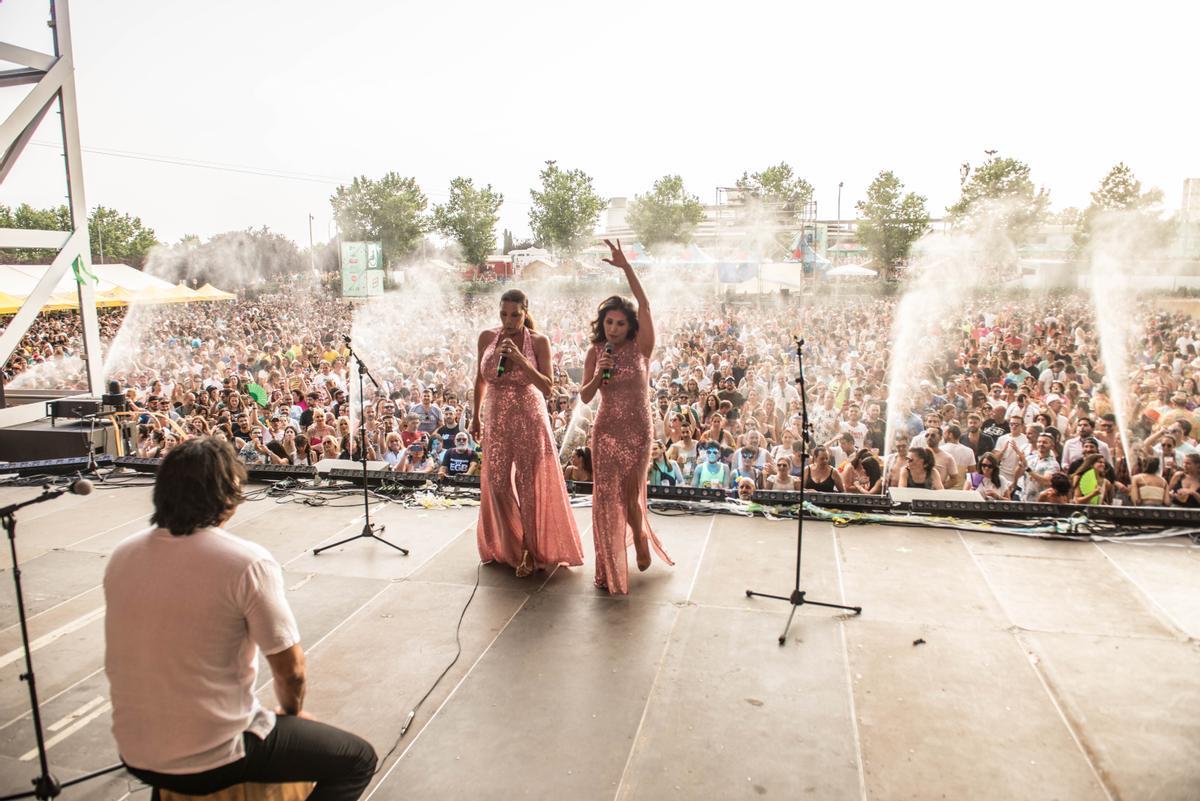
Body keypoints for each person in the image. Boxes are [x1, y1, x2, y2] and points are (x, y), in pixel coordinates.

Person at [104, 438, 376, 800]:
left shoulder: (123, 554)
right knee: (356, 760)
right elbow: (291, 670)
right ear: (228, 492)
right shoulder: (245, 563)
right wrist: (290, 715)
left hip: (135, 752)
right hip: (215, 755)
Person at [580, 240, 673, 594]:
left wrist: (626, 268)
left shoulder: (641, 348)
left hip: (637, 429)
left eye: (620, 323)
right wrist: (596, 374)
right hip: (604, 430)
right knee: (606, 497)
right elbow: (586, 396)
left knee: (630, 494)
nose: (614, 328)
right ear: (601, 324)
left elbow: (645, 304)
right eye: (609, 322)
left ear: (630, 326)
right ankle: (608, 567)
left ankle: (638, 532)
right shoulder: (595, 352)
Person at [472, 288, 584, 577]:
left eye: (515, 315)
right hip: (496, 418)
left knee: (529, 485)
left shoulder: (538, 342)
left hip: (529, 417)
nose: (508, 320)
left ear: (525, 312)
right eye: (504, 314)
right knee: (497, 484)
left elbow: (548, 387)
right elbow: (480, 380)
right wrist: (475, 416)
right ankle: (508, 540)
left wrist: (522, 360)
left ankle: (527, 547)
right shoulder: (487, 337)